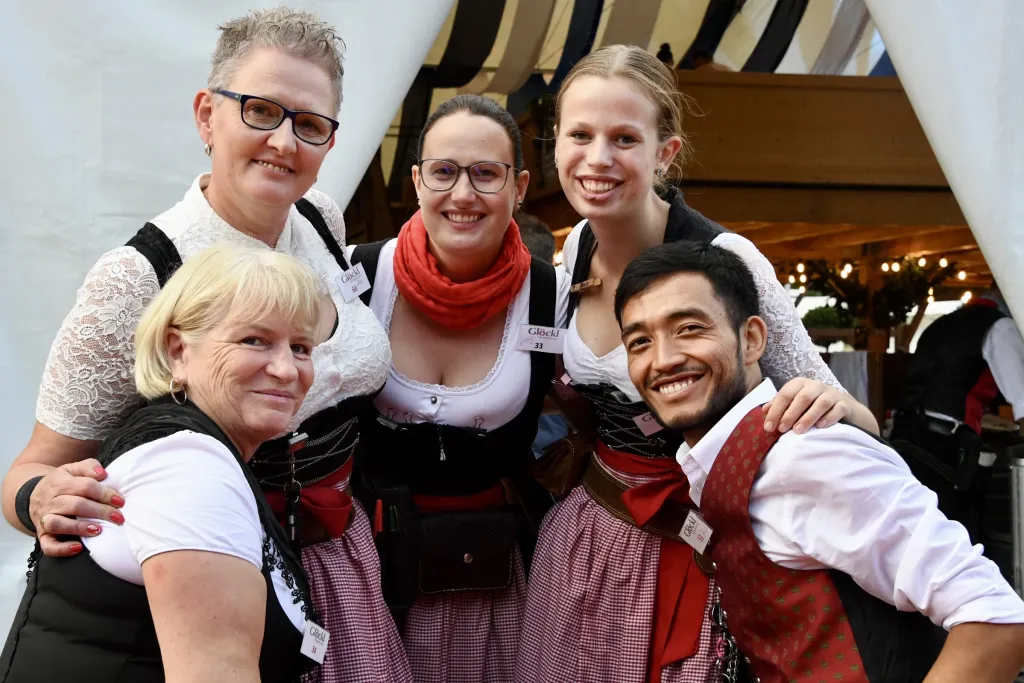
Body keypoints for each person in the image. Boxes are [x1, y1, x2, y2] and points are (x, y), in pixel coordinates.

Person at [1, 8, 410, 682]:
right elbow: (30, 472)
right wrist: (40, 499)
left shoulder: (320, 218)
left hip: (344, 561)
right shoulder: (138, 276)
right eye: (259, 110)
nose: (283, 142)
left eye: (308, 124)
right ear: (206, 116)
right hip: (219, 576)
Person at [517, 45, 880, 683]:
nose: (597, 158)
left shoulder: (727, 257)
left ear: (665, 153)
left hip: (696, 542)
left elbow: (846, 413)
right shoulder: (574, 251)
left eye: (624, 137)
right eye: (580, 134)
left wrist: (837, 408)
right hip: (587, 535)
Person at [615, 239, 1024, 683]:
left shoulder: (805, 456)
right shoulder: (713, 459)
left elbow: (996, 618)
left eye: (690, 328)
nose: (664, 359)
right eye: (640, 341)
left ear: (751, 338)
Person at [1, 244, 330, 682]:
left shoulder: (188, 444)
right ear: (178, 351)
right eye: (255, 340)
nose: (287, 370)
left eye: (301, 347)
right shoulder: (191, 471)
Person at [345, 94, 569, 682]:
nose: (463, 195)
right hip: (369, 571)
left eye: (485, 174)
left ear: (519, 187)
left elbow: (601, 409)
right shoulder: (355, 278)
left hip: (497, 576)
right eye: (444, 172)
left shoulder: (553, 295)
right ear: (417, 181)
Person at [890, 286, 1024, 541]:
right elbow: (1022, 400)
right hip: (946, 445)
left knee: (916, 529)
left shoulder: (941, 324)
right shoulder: (1000, 327)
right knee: (954, 532)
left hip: (904, 431)